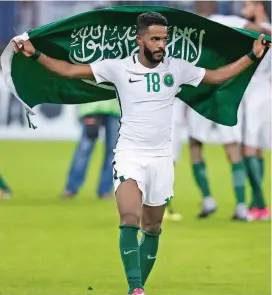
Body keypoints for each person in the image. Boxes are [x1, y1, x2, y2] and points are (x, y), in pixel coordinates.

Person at [13, 11, 269, 295]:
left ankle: (137, 287)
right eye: (155, 39)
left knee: (152, 228)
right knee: (129, 218)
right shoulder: (118, 68)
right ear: (140, 40)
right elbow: (69, 70)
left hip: (161, 159)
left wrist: (253, 55)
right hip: (129, 155)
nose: (161, 44)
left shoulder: (177, 68)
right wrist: (35, 54)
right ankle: (135, 288)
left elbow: (218, 77)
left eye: (165, 39)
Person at [183, 1, 271, 220]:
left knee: (202, 144)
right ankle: (237, 204)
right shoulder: (222, 22)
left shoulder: (201, 25)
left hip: (209, 91)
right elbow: (254, 29)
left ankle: (220, 201)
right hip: (222, 91)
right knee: (230, 145)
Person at [241, 0, 271, 221]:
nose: (244, 10)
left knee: (248, 149)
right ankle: (257, 205)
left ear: (259, 6)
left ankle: (259, 203)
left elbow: (248, 27)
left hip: (254, 93)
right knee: (258, 149)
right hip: (266, 92)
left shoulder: (257, 31)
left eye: (247, 4)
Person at [62, 100, 120, 199]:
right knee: (85, 149)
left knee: (112, 151)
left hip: (114, 108)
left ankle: (105, 190)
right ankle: (71, 188)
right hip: (92, 106)